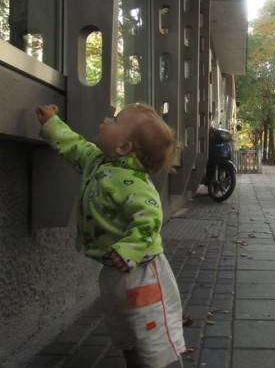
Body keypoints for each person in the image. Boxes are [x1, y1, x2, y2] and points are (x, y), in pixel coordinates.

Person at [34, 103, 185, 368]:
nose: (106, 119)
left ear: (123, 147)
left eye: (115, 121)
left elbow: (150, 220)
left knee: (151, 335)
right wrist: (51, 123)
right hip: (114, 272)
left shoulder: (135, 183)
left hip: (143, 272)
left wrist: (129, 249)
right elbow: (74, 146)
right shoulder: (96, 161)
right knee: (124, 331)